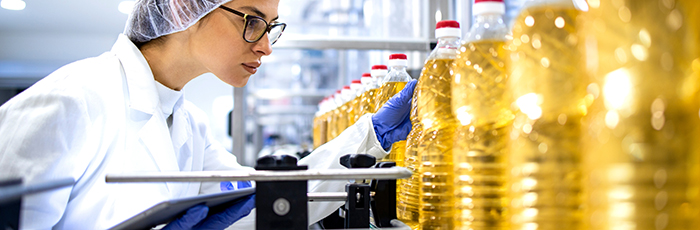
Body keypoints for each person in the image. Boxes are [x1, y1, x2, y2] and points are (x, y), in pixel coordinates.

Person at [0, 0, 417, 229]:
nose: (266, 46)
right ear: (187, 8)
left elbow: (266, 207)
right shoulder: (72, 101)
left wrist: (371, 135)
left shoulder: (187, 123)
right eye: (253, 21)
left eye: (272, 27)